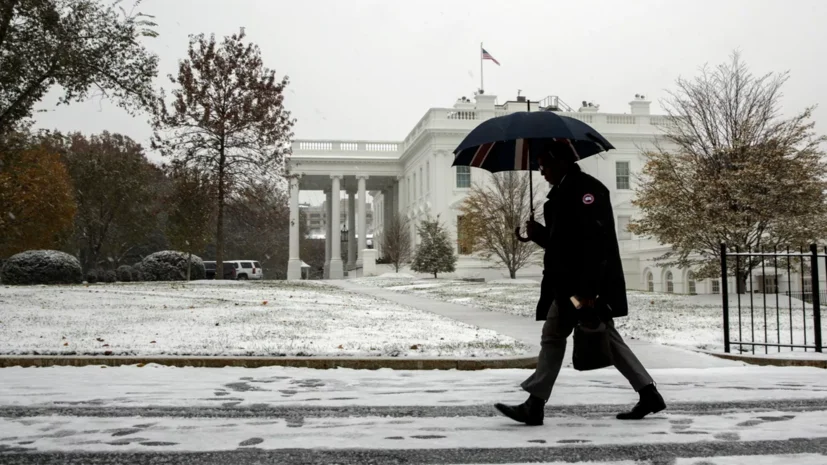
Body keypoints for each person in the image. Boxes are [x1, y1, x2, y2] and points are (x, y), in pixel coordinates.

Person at [494, 145, 666, 426]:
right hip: (570, 283)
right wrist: (538, 236)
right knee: (603, 336)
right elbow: (566, 243)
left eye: (544, 165)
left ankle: (535, 404)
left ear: (561, 162)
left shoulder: (587, 191)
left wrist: (588, 293)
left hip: (581, 286)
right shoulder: (565, 191)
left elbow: (593, 245)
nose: (541, 171)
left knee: (554, 336)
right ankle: (648, 393)